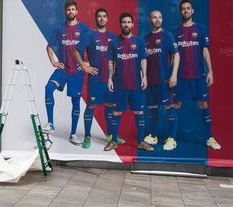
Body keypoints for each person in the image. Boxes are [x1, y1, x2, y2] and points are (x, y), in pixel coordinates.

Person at [172, 0, 220, 150]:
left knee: (204, 104)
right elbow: (172, 56)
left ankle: (209, 138)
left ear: (192, 11)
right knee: (176, 104)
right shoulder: (174, 32)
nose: (186, 11)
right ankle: (172, 139)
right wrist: (171, 75)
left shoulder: (200, 29)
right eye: (183, 9)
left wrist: (210, 71)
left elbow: (205, 51)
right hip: (180, 76)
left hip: (198, 75)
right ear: (180, 12)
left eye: (188, 8)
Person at [74, 8, 125, 149]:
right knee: (91, 106)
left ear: (107, 19)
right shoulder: (89, 35)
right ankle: (87, 136)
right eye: (99, 17)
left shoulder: (113, 37)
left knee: (110, 106)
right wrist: (85, 67)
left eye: (104, 16)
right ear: (96, 19)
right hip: (95, 80)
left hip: (110, 80)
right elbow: (75, 51)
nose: (102, 19)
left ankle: (111, 136)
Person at [104, 12, 154, 152]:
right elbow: (111, 61)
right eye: (124, 22)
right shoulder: (113, 42)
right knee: (116, 113)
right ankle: (113, 141)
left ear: (132, 24)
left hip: (136, 84)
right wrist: (109, 78)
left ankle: (140, 142)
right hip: (120, 84)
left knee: (139, 112)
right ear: (120, 24)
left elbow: (143, 59)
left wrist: (144, 77)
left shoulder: (139, 41)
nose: (126, 24)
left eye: (128, 22)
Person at [42, 0, 90, 145]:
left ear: (77, 11)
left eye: (73, 9)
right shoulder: (59, 29)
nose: (71, 12)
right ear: (65, 12)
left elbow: (92, 47)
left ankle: (73, 134)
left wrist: (87, 64)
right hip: (63, 70)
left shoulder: (84, 29)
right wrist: (53, 62)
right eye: (68, 10)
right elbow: (49, 47)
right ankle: (50, 123)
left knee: (75, 102)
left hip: (76, 71)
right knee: (48, 88)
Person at [143, 10, 180, 151]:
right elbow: (143, 61)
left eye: (160, 17)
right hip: (150, 81)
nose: (157, 20)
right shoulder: (145, 39)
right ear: (149, 20)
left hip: (164, 80)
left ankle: (172, 138)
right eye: (154, 17)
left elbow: (176, 55)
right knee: (152, 109)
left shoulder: (168, 35)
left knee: (169, 108)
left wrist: (174, 74)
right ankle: (153, 136)